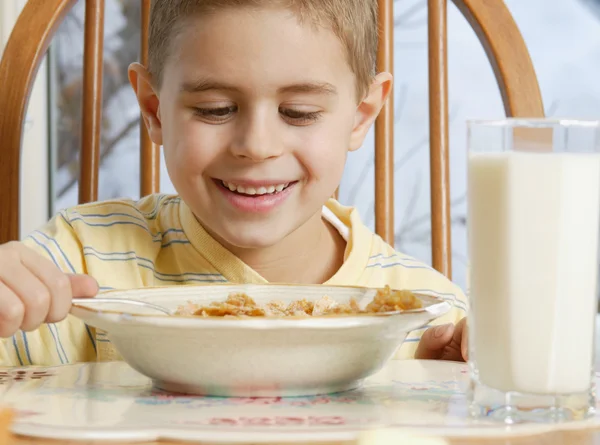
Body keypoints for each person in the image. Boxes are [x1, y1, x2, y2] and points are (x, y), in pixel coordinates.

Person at [0, 0, 468, 367]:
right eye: (215, 109)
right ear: (153, 109)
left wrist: (442, 395)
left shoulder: (429, 317)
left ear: (361, 116)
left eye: (298, 113)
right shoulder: (77, 262)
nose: (257, 145)